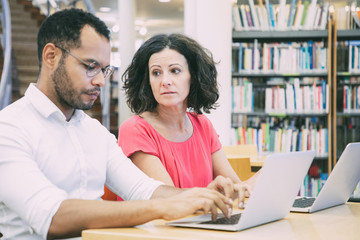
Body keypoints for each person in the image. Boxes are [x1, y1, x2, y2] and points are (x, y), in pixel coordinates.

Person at [0, 9, 238, 240]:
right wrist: (164, 207)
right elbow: (52, 218)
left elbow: (145, 190)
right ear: (51, 56)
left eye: (104, 70)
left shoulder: (95, 132)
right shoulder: (9, 128)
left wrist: (200, 197)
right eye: (90, 66)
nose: (100, 81)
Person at [118, 33, 258, 205]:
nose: (165, 81)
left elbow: (235, 190)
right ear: (147, 81)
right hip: (157, 229)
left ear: (194, 76)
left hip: (201, 224)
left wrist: (257, 181)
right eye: (156, 73)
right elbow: (166, 200)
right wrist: (210, 195)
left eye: (175, 71)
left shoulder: (202, 124)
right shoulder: (135, 129)